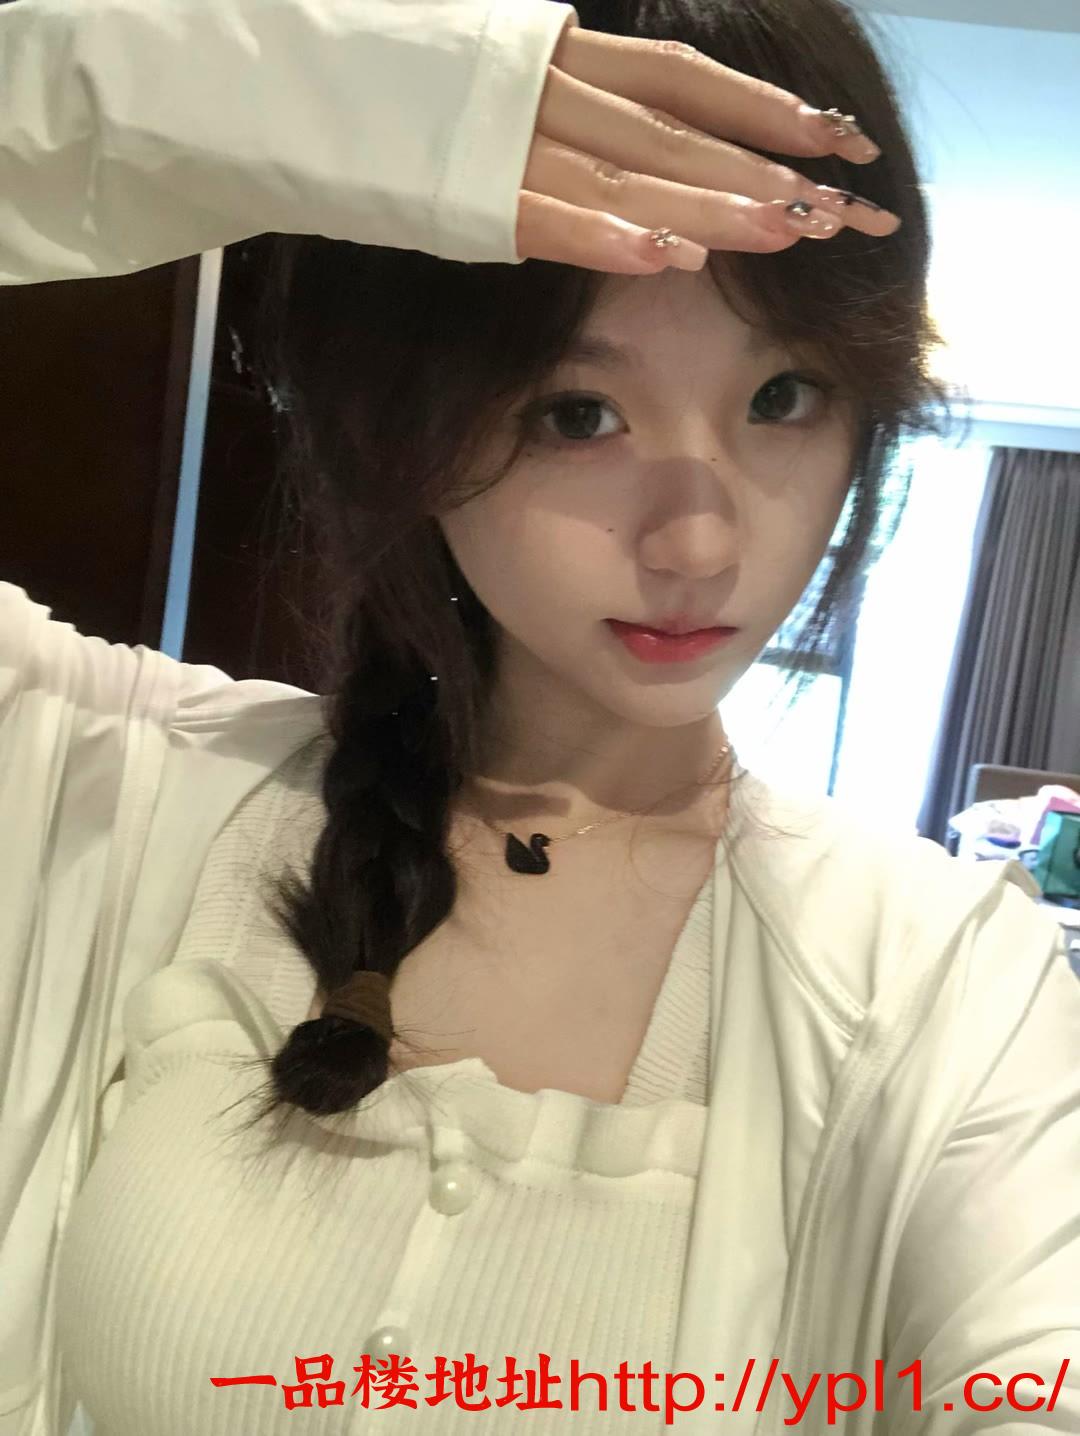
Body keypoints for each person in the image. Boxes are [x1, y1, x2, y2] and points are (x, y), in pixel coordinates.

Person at [0, 0, 1076, 1432]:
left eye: (783, 396)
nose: (700, 544)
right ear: (405, 420)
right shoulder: (109, 780)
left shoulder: (948, 989)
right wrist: (383, 104)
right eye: (578, 412)